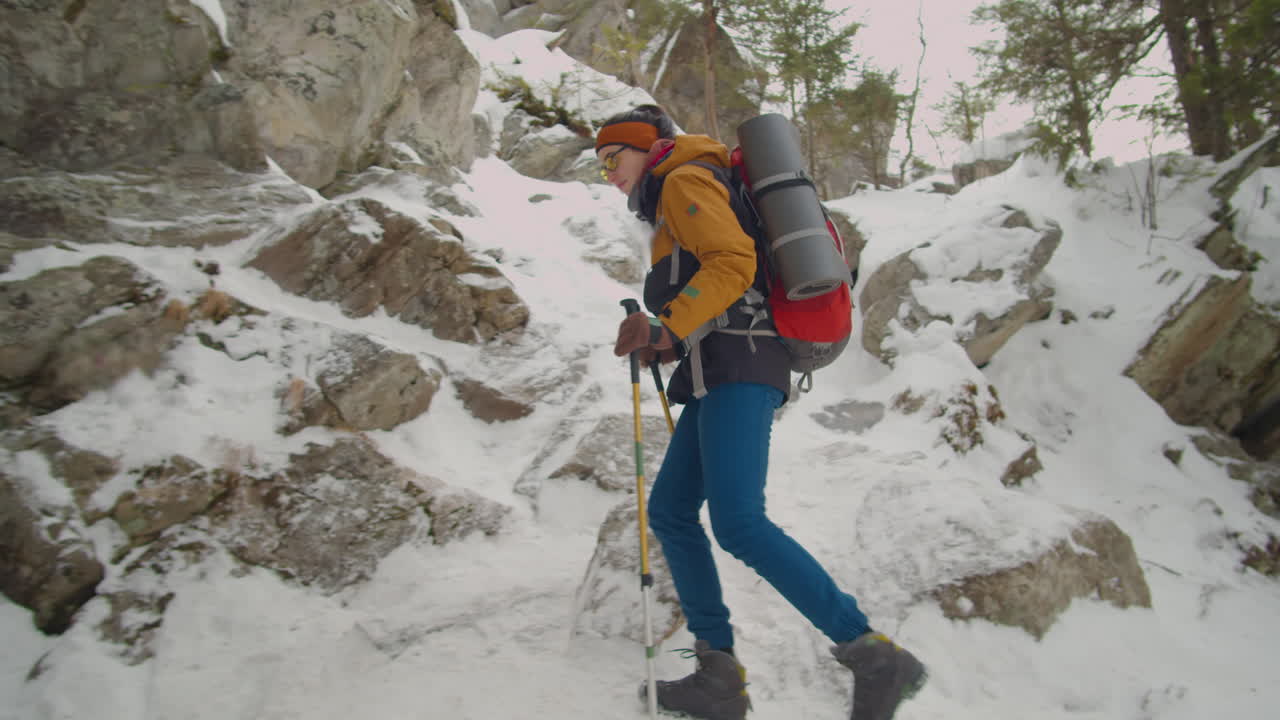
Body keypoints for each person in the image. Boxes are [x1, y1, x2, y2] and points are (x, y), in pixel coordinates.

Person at [598, 104, 927, 720]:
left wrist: (668, 325)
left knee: (740, 522)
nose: (608, 172)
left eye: (613, 157)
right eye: (601, 165)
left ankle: (874, 655)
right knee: (670, 512)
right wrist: (665, 339)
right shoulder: (672, 194)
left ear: (645, 147)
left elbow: (733, 264)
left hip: (743, 365)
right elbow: (714, 284)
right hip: (719, 369)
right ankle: (718, 674)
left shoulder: (684, 179)